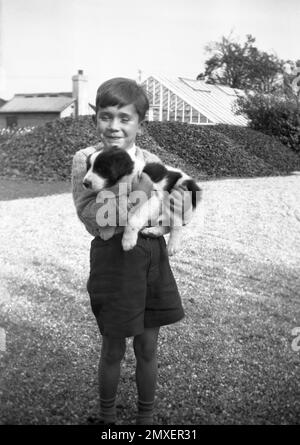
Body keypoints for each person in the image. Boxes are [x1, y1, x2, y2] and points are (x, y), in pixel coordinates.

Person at [71, 77, 192, 425]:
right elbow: (90, 215)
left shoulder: (150, 158)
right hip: (114, 261)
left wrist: (165, 218)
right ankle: (108, 418)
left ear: (140, 122)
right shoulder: (86, 158)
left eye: (125, 118)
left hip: (153, 258)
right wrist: (139, 207)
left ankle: (146, 419)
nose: (114, 126)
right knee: (113, 347)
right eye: (106, 116)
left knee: (148, 346)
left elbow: (173, 205)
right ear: (96, 118)